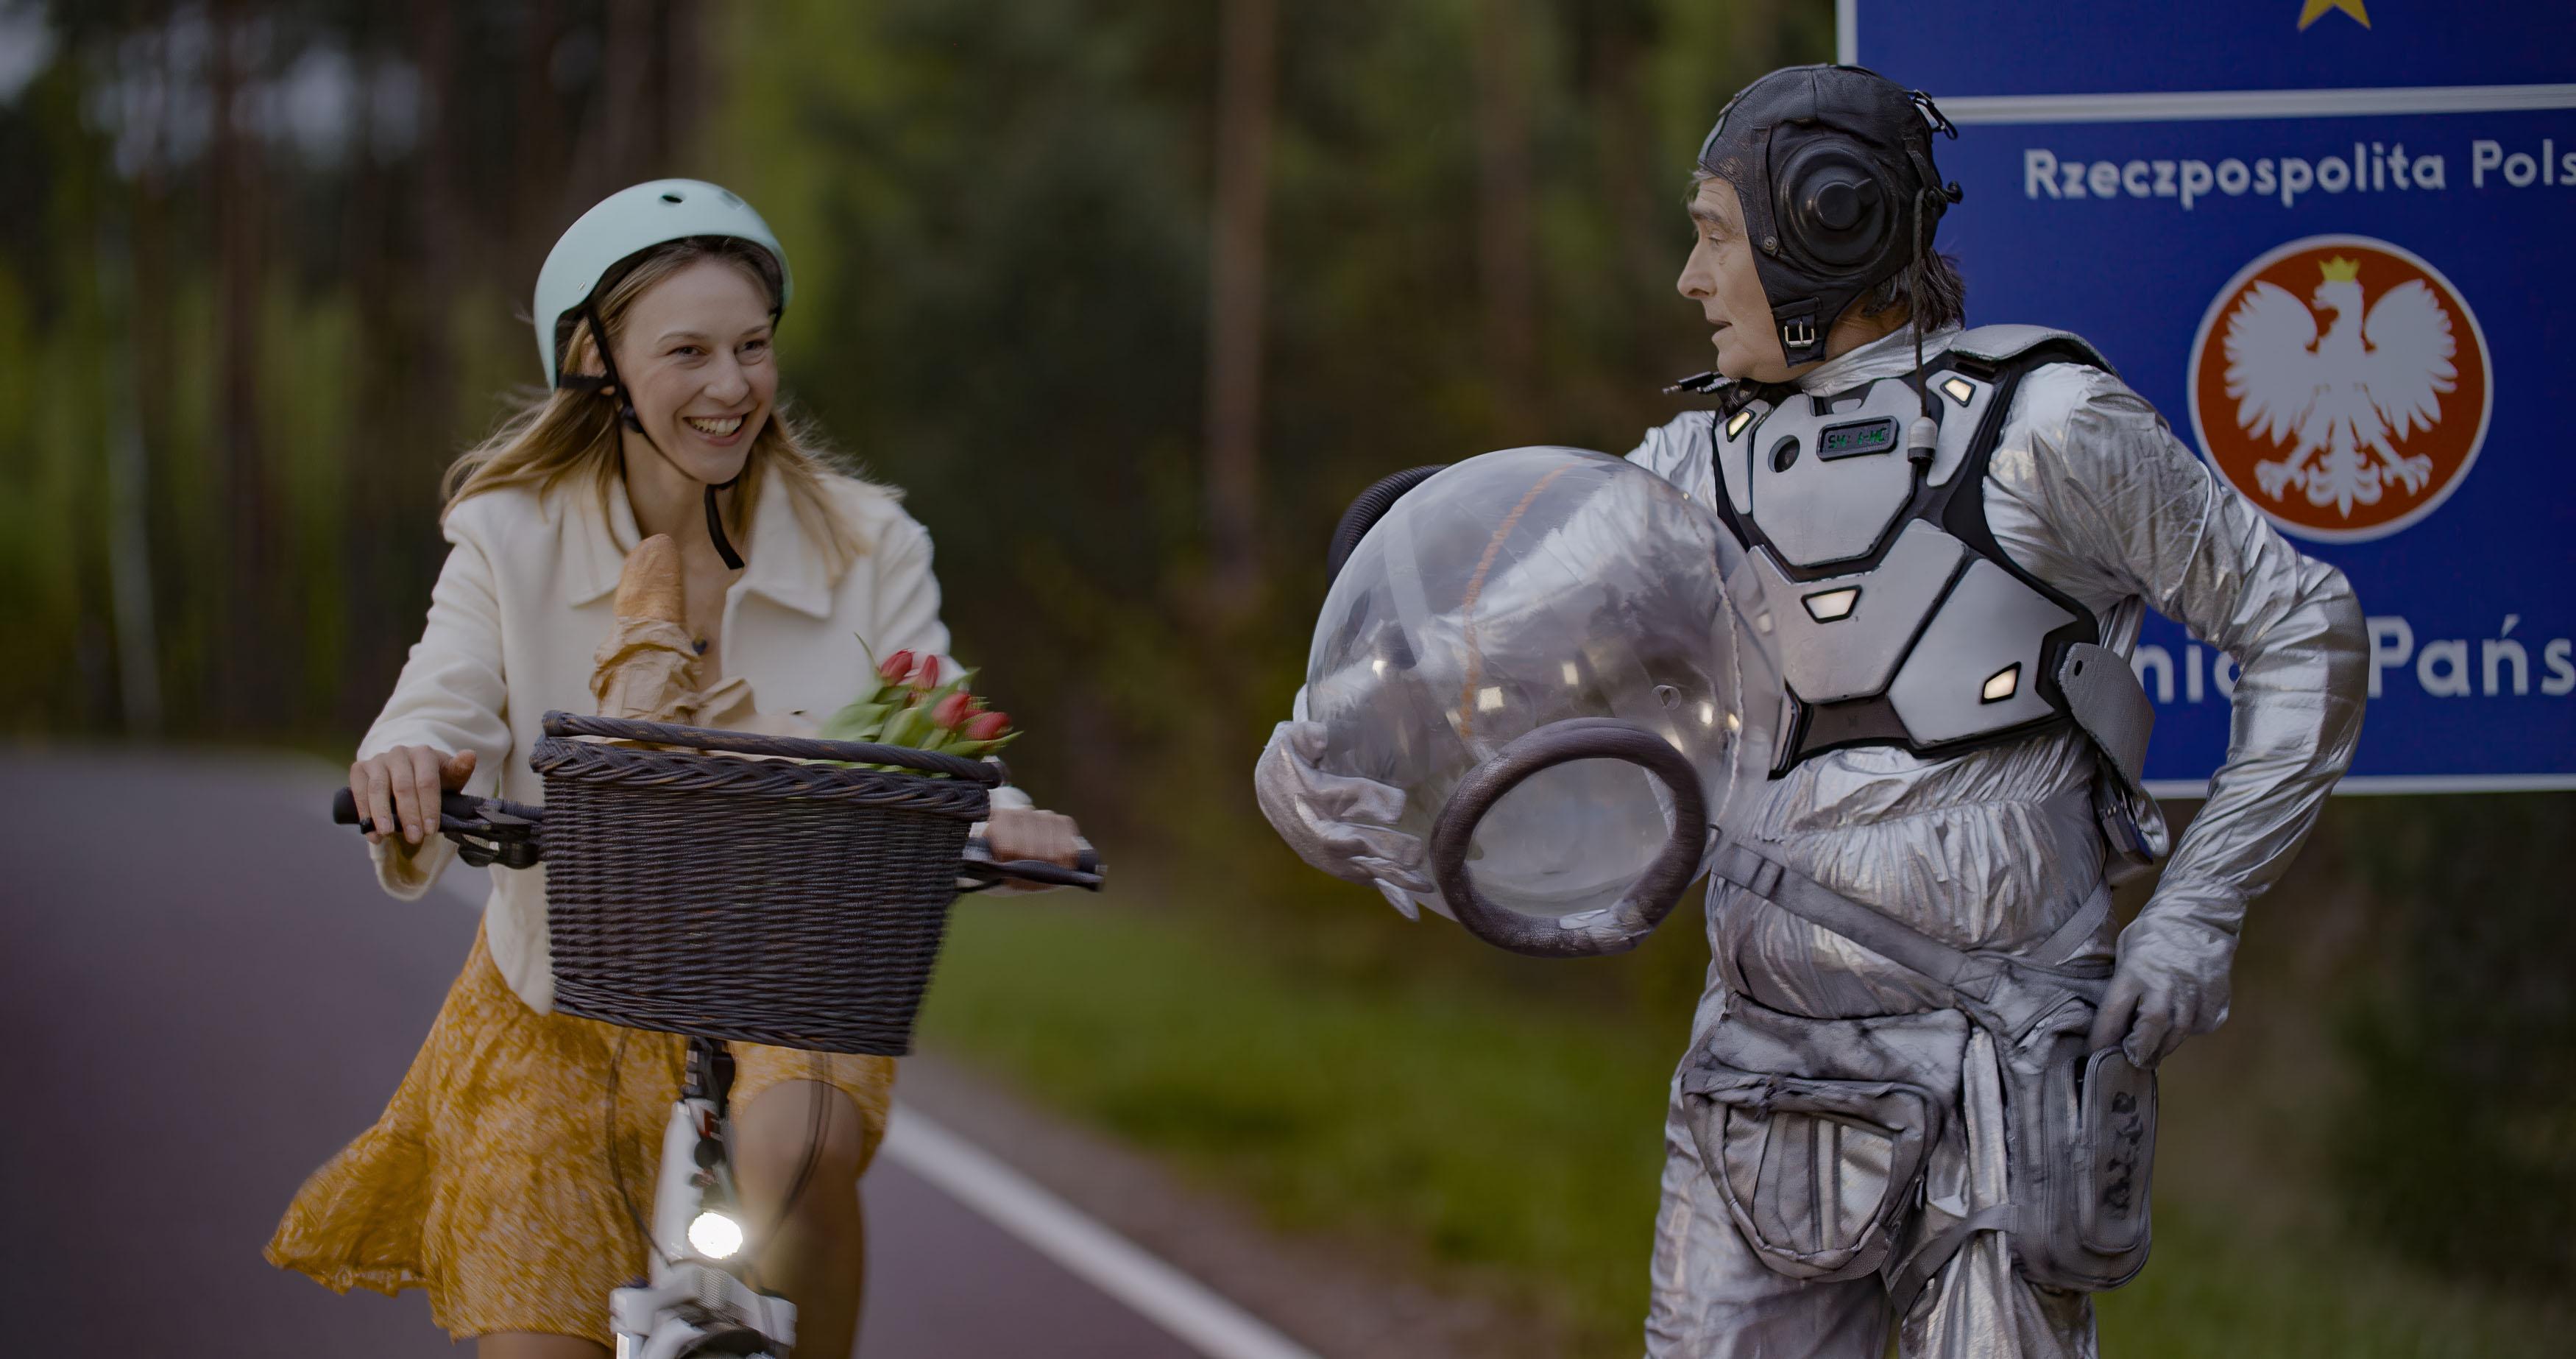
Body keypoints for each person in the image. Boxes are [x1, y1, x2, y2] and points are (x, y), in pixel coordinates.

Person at [1255, 66, 2367, 1357]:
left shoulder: (2050, 430)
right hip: (1760, 1071)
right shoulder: (1690, 470)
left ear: (1823, 225)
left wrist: (2197, 912)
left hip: (2001, 1072)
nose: (1691, 279)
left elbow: (2304, 627)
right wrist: (1328, 737)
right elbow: (1482, 648)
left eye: (1714, 235)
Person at [266, 179, 1083, 1358]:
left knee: (791, 1160)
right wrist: (407, 761)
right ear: (596, 363)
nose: (732, 385)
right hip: (563, 995)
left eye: (752, 347)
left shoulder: (869, 541)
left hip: (796, 974)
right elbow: (441, 692)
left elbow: (933, 719)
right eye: (688, 351)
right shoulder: (510, 532)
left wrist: (1003, 813)